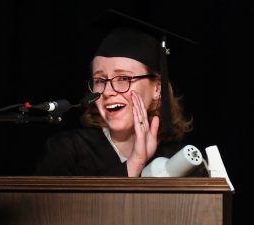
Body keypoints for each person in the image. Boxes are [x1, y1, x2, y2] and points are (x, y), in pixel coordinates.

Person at [34, 9, 208, 177]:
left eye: (123, 78)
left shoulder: (180, 161)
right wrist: (135, 164)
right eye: (100, 81)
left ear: (157, 89)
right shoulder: (68, 152)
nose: (108, 91)